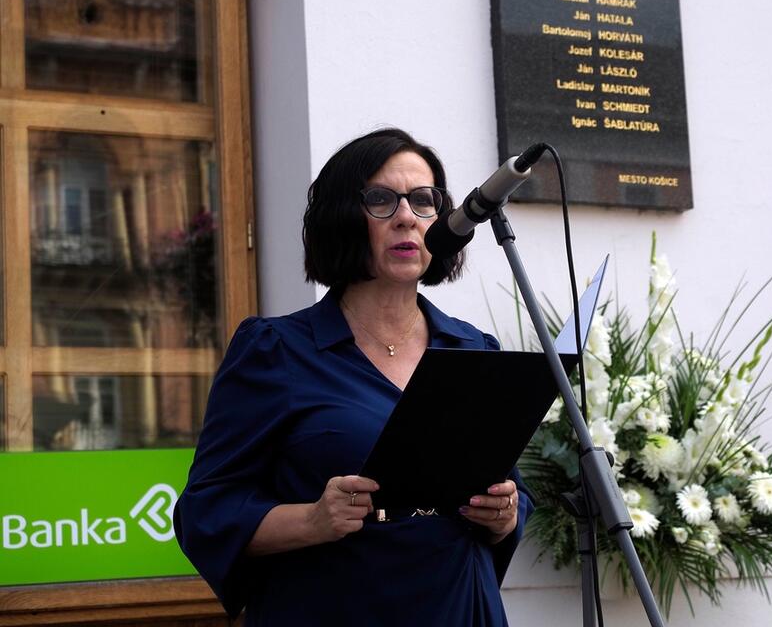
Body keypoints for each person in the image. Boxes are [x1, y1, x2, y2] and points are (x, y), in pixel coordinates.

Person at [175, 128, 532, 626]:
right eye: (382, 200)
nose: (407, 216)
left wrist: (504, 516)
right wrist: (312, 520)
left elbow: (504, 488)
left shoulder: (471, 349)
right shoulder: (275, 351)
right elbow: (206, 513)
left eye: (424, 201)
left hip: (459, 605)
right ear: (342, 216)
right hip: (336, 606)